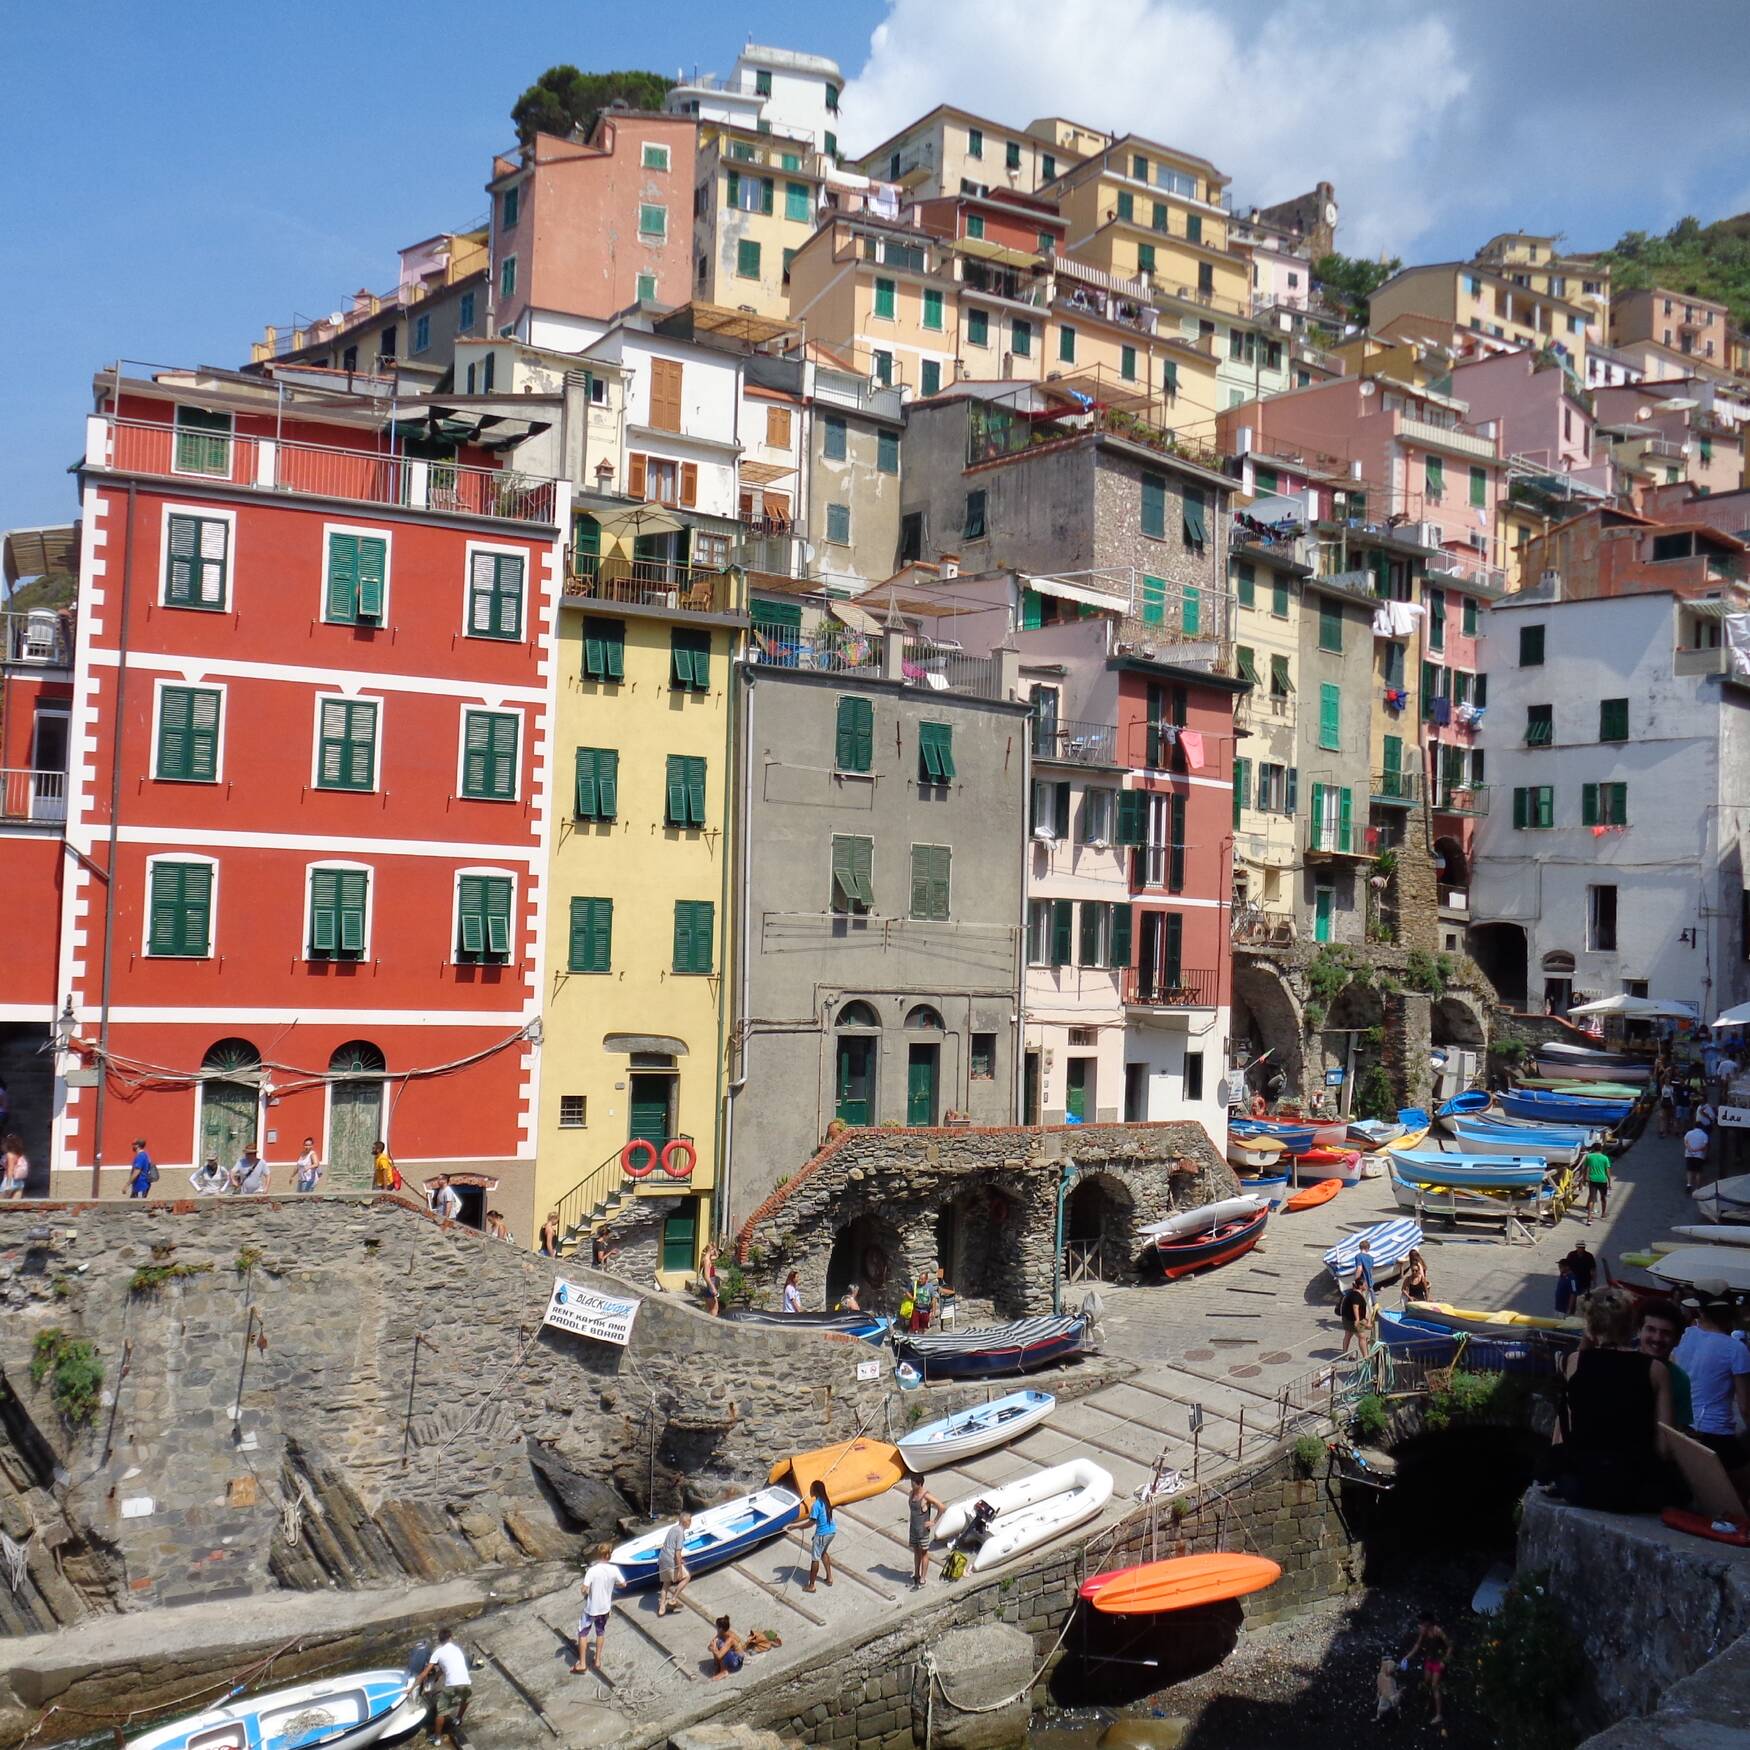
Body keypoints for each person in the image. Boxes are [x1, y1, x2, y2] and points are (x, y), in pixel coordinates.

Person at [1544, 1287, 1674, 1512]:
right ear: (1634, 1328)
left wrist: (1591, 1332)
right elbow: (1664, 1448)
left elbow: (1565, 1428)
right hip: (1633, 1489)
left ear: (1591, 1327)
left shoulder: (1575, 1362)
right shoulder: (1656, 1370)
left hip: (1581, 1485)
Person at [1672, 1300, 1750, 1487]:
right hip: (1715, 1432)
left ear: (1701, 1311)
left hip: (1682, 1427)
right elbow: (1746, 1408)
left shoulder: (1685, 1335)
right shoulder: (1736, 1349)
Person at [1637, 1299, 1695, 1433]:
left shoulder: (1680, 1379)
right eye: (1651, 1330)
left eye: (1666, 1333)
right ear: (1639, 1331)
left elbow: (1677, 1430)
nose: (1657, 1338)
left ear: (1677, 1340)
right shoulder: (1620, 1366)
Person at [575, 1543, 625, 1675]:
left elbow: (584, 1589)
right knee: (600, 1632)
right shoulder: (614, 1570)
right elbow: (623, 1584)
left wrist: (584, 1591)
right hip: (605, 1608)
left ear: (599, 1554)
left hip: (591, 1609)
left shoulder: (592, 1570)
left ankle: (582, 1663)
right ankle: (597, 1660)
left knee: (582, 1633)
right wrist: (615, 1586)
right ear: (609, 1555)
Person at [415, 1627, 470, 1744]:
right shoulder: (457, 1650)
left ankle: (438, 1738)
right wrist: (436, 1676)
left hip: (451, 1684)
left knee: (441, 1713)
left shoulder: (438, 1652)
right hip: (465, 1681)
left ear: (440, 1640)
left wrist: (414, 1686)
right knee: (465, 1699)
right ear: (450, 1638)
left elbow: (426, 1671)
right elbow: (447, 1667)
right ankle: (458, 1719)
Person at [1401, 1610, 1450, 1727]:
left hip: (1438, 1661)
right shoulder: (1423, 1631)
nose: (1420, 1624)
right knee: (1426, 1681)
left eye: (1422, 1622)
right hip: (1429, 1660)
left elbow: (1450, 1646)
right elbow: (1417, 1645)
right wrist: (1406, 1658)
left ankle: (1439, 1714)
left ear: (1428, 1622)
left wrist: (1445, 1660)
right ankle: (1428, 1702)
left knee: (1435, 1685)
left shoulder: (1438, 1631)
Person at [907, 1474, 943, 1590]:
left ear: (920, 1484)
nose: (912, 1486)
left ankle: (923, 1578)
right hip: (913, 1528)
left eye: (913, 1484)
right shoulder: (912, 1494)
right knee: (916, 1551)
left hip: (922, 1530)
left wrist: (934, 1521)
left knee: (924, 1553)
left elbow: (941, 1506)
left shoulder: (926, 1496)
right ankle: (916, 1574)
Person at [803, 1479, 836, 1593]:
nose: (810, 1490)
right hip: (831, 1532)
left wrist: (795, 1526)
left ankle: (811, 1586)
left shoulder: (816, 1505)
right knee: (823, 1552)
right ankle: (829, 1578)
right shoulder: (826, 1501)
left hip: (822, 1534)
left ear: (815, 1490)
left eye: (811, 1488)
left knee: (815, 1558)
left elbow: (811, 1522)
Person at [658, 1511, 692, 1617]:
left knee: (666, 1583)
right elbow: (677, 1552)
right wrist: (679, 1568)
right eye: (690, 1520)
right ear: (685, 1521)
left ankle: (662, 1607)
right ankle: (673, 1599)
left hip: (663, 1558)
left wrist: (680, 1560)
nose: (691, 1523)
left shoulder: (673, 1528)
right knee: (687, 1577)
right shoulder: (681, 1533)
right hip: (670, 1560)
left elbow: (669, 1545)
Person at [1339, 1271, 1371, 1358]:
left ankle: (1344, 1354)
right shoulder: (1356, 1295)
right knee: (1362, 1337)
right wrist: (1357, 1320)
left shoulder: (1353, 1293)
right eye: (1365, 1284)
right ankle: (1366, 1356)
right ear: (1360, 1286)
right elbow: (1355, 1307)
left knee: (1348, 1335)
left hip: (1347, 1318)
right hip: (1353, 1319)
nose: (1366, 1285)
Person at [1581, 1144, 1613, 1225]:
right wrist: (1609, 1183)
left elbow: (1585, 1169)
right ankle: (1603, 1214)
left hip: (1592, 1180)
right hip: (1602, 1180)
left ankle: (1589, 1218)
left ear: (1593, 1149)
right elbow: (1608, 1172)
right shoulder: (1605, 1158)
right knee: (1603, 1198)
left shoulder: (1589, 1157)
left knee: (1592, 1199)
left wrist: (1584, 1178)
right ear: (1601, 1149)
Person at [1684, 1121, 1712, 1193]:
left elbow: (1686, 1142)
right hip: (1699, 1156)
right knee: (1698, 1171)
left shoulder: (1689, 1133)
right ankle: (1697, 1187)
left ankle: (1689, 1185)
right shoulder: (1704, 1135)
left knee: (1690, 1170)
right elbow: (1705, 1146)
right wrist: (1698, 1150)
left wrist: (1690, 1149)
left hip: (1689, 1154)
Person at [0, 1134, 29, 1201]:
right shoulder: (19, 1155)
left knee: (1, 1203)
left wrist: (8, 1184)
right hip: (19, 1183)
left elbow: (10, 1169)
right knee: (14, 1206)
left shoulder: (10, 1155)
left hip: (10, 1181)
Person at [911, 1269, 936, 1333]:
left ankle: (922, 1336)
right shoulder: (915, 1284)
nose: (920, 1280)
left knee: (924, 1327)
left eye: (922, 1279)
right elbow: (906, 1291)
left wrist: (933, 1311)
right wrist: (912, 1297)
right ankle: (915, 1334)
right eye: (920, 1278)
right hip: (916, 1309)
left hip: (925, 1310)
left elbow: (934, 1299)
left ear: (926, 1280)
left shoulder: (930, 1286)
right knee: (915, 1328)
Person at [701, 1243, 721, 1317]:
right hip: (710, 1286)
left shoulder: (707, 1258)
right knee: (714, 1310)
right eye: (712, 1250)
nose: (714, 1251)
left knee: (713, 1308)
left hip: (710, 1285)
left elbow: (717, 1256)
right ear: (710, 1250)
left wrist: (715, 1248)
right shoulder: (707, 1261)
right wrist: (713, 1288)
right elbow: (706, 1276)